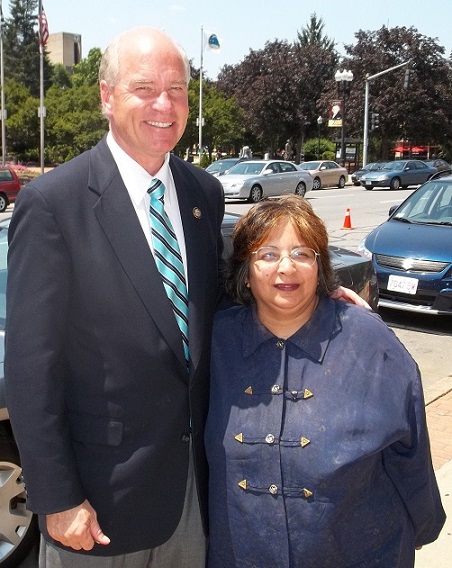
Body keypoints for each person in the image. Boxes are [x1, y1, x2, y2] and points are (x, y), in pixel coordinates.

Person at [5, 26, 226, 567]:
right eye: (144, 87)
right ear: (107, 96)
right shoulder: (53, 204)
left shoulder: (204, 193)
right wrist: (56, 498)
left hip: (192, 497)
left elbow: (224, 299)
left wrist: (324, 296)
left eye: (177, 89)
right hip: (97, 508)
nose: (164, 104)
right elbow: (32, 369)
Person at [205, 196, 446, 567]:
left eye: (303, 253)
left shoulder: (370, 342)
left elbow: (410, 453)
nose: (287, 267)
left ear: (320, 267)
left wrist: (425, 525)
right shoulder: (215, 344)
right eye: (267, 254)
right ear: (245, 271)